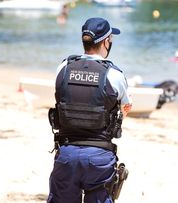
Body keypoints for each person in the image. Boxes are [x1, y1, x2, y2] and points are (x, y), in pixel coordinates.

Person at [47, 17, 132, 203]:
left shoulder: (63, 67)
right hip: (99, 156)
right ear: (105, 41)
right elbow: (126, 107)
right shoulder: (114, 74)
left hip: (67, 152)